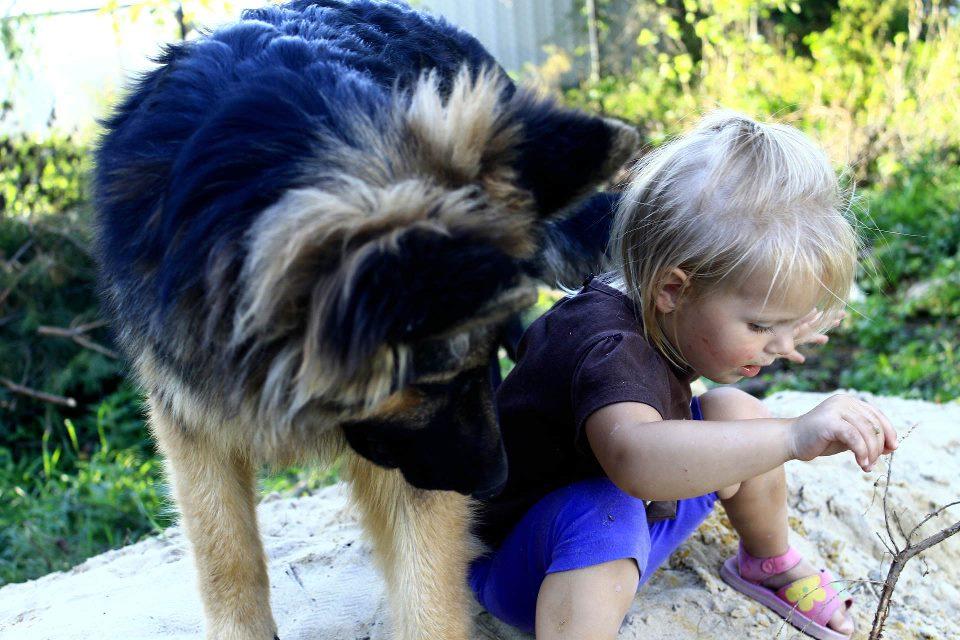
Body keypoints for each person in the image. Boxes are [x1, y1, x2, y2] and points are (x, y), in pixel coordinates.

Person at [468, 111, 898, 640]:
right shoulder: (605, 346)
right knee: (603, 509)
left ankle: (768, 563)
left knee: (736, 412)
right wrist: (792, 436)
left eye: (786, 327)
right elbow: (635, 460)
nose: (776, 347)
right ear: (673, 289)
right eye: (761, 325)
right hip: (527, 567)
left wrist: (779, 330)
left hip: (632, 527)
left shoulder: (670, 315)